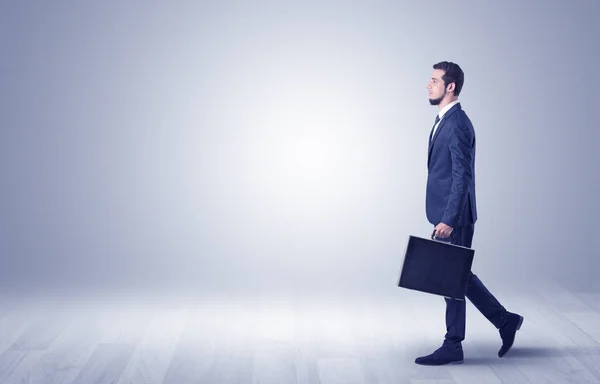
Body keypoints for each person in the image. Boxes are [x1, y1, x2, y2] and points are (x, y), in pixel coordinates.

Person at [415, 61, 524, 366]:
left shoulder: (458, 124)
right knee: (458, 276)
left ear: (450, 86)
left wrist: (449, 219)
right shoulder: (444, 120)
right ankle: (505, 321)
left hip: (456, 217)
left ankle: (454, 344)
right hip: (448, 213)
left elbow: (462, 176)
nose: (428, 84)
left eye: (434, 80)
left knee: (452, 277)